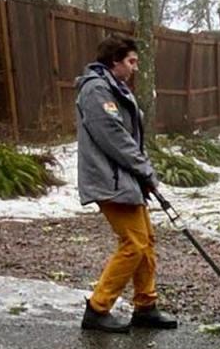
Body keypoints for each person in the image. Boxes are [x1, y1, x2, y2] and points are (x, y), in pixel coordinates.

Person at [75, 34, 177, 333]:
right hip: (111, 179)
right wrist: (144, 170)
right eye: (131, 61)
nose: (135, 67)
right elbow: (115, 138)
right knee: (133, 244)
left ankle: (145, 307)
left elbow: (129, 137)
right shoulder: (96, 90)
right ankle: (97, 308)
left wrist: (143, 175)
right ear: (114, 61)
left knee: (146, 242)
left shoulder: (114, 88)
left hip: (125, 177)